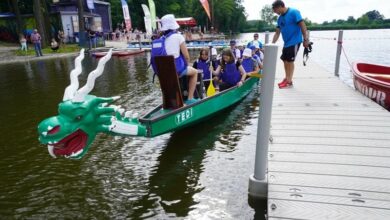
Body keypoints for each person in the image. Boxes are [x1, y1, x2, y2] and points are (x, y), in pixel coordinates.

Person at [151, 14, 198, 104]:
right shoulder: (178, 36)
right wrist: (187, 65)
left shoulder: (160, 39)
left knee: (167, 79)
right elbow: (187, 56)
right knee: (194, 72)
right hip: (176, 71)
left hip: (162, 73)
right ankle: (190, 98)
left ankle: (166, 102)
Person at [271, 0, 309, 89]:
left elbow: (303, 25)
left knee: (290, 61)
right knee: (284, 60)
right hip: (286, 43)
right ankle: (287, 78)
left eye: (275, 10)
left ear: (280, 6)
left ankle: (289, 81)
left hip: (295, 41)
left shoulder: (293, 12)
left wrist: (306, 39)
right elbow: (277, 33)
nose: (275, 12)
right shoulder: (280, 18)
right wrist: (271, 44)